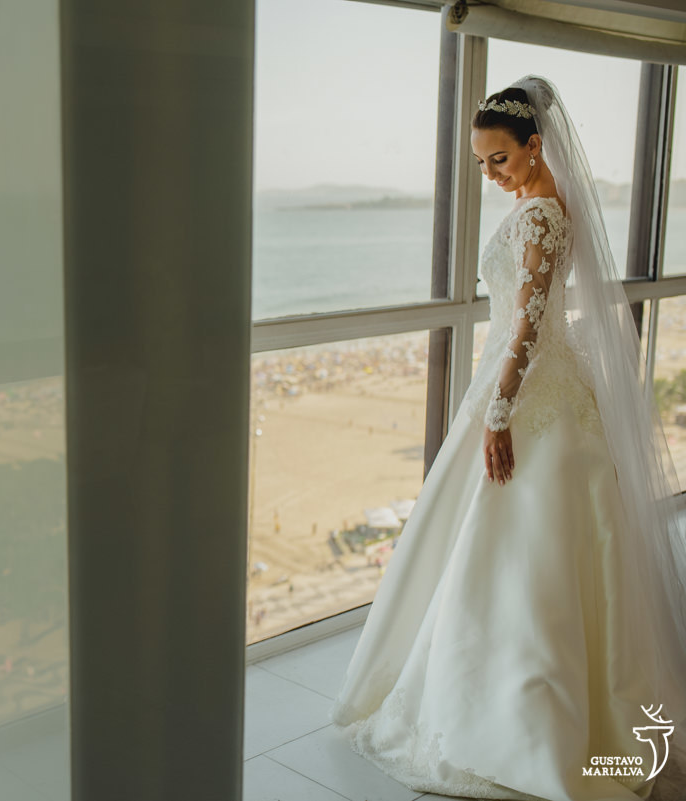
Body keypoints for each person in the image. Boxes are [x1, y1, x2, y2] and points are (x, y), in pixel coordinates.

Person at [329, 75, 686, 801]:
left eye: (499, 161)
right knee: (536, 552)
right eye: (480, 162)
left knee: (520, 554)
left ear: (533, 146)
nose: (490, 175)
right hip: (542, 385)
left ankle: (521, 721)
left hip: (524, 393)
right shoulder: (547, 200)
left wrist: (498, 413)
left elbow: (525, 321)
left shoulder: (540, 216)